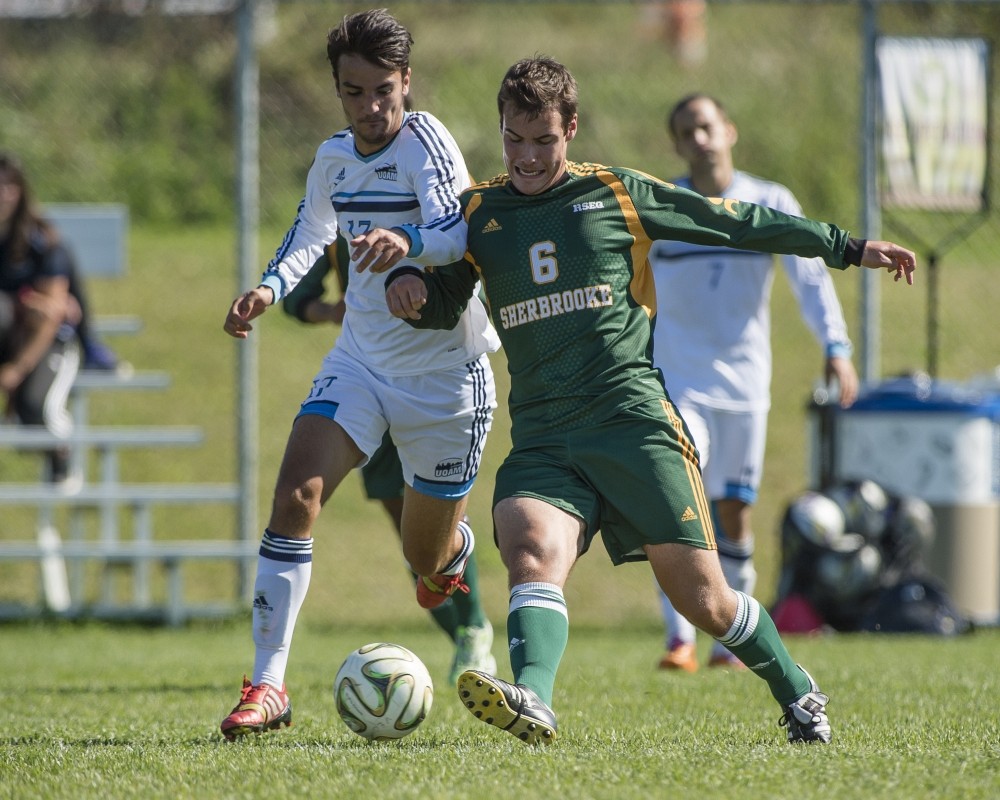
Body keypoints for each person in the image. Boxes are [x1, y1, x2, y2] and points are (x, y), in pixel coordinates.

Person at [384, 56, 915, 745]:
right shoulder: (483, 212)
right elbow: (448, 294)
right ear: (502, 130)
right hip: (546, 436)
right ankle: (534, 700)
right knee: (528, 547)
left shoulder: (616, 194)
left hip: (634, 426)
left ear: (570, 129)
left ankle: (797, 689)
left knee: (706, 602)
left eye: (544, 140)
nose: (528, 156)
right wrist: (415, 295)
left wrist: (846, 247)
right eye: (515, 139)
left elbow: (735, 222)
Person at [219, 9, 500, 741]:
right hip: (362, 362)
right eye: (353, 92)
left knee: (426, 562)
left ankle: (453, 554)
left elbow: (458, 228)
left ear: (406, 82)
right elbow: (309, 234)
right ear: (338, 90)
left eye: (383, 90)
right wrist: (269, 290)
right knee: (295, 496)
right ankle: (268, 685)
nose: (370, 108)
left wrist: (402, 240)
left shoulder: (426, 139)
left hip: (445, 376)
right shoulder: (334, 157)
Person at [649, 94, 860, 673]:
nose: (698, 138)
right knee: (676, 496)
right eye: (686, 131)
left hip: (744, 384)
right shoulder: (663, 206)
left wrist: (836, 348)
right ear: (676, 144)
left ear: (729, 131)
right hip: (678, 380)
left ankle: (727, 644)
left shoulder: (768, 201)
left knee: (734, 511)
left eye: (706, 126)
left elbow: (810, 278)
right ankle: (679, 639)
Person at [281, 241, 496, 686]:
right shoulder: (342, 224)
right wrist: (330, 312)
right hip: (371, 387)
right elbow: (296, 298)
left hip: (436, 385)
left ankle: (475, 627)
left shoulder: (440, 214)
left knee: (438, 521)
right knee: (410, 537)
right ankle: (461, 637)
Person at [0, 152, 80, 487]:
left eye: (7, 186)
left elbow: (53, 313)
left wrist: (16, 369)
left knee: (37, 409)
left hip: (43, 342)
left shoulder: (42, 241)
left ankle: (63, 466)